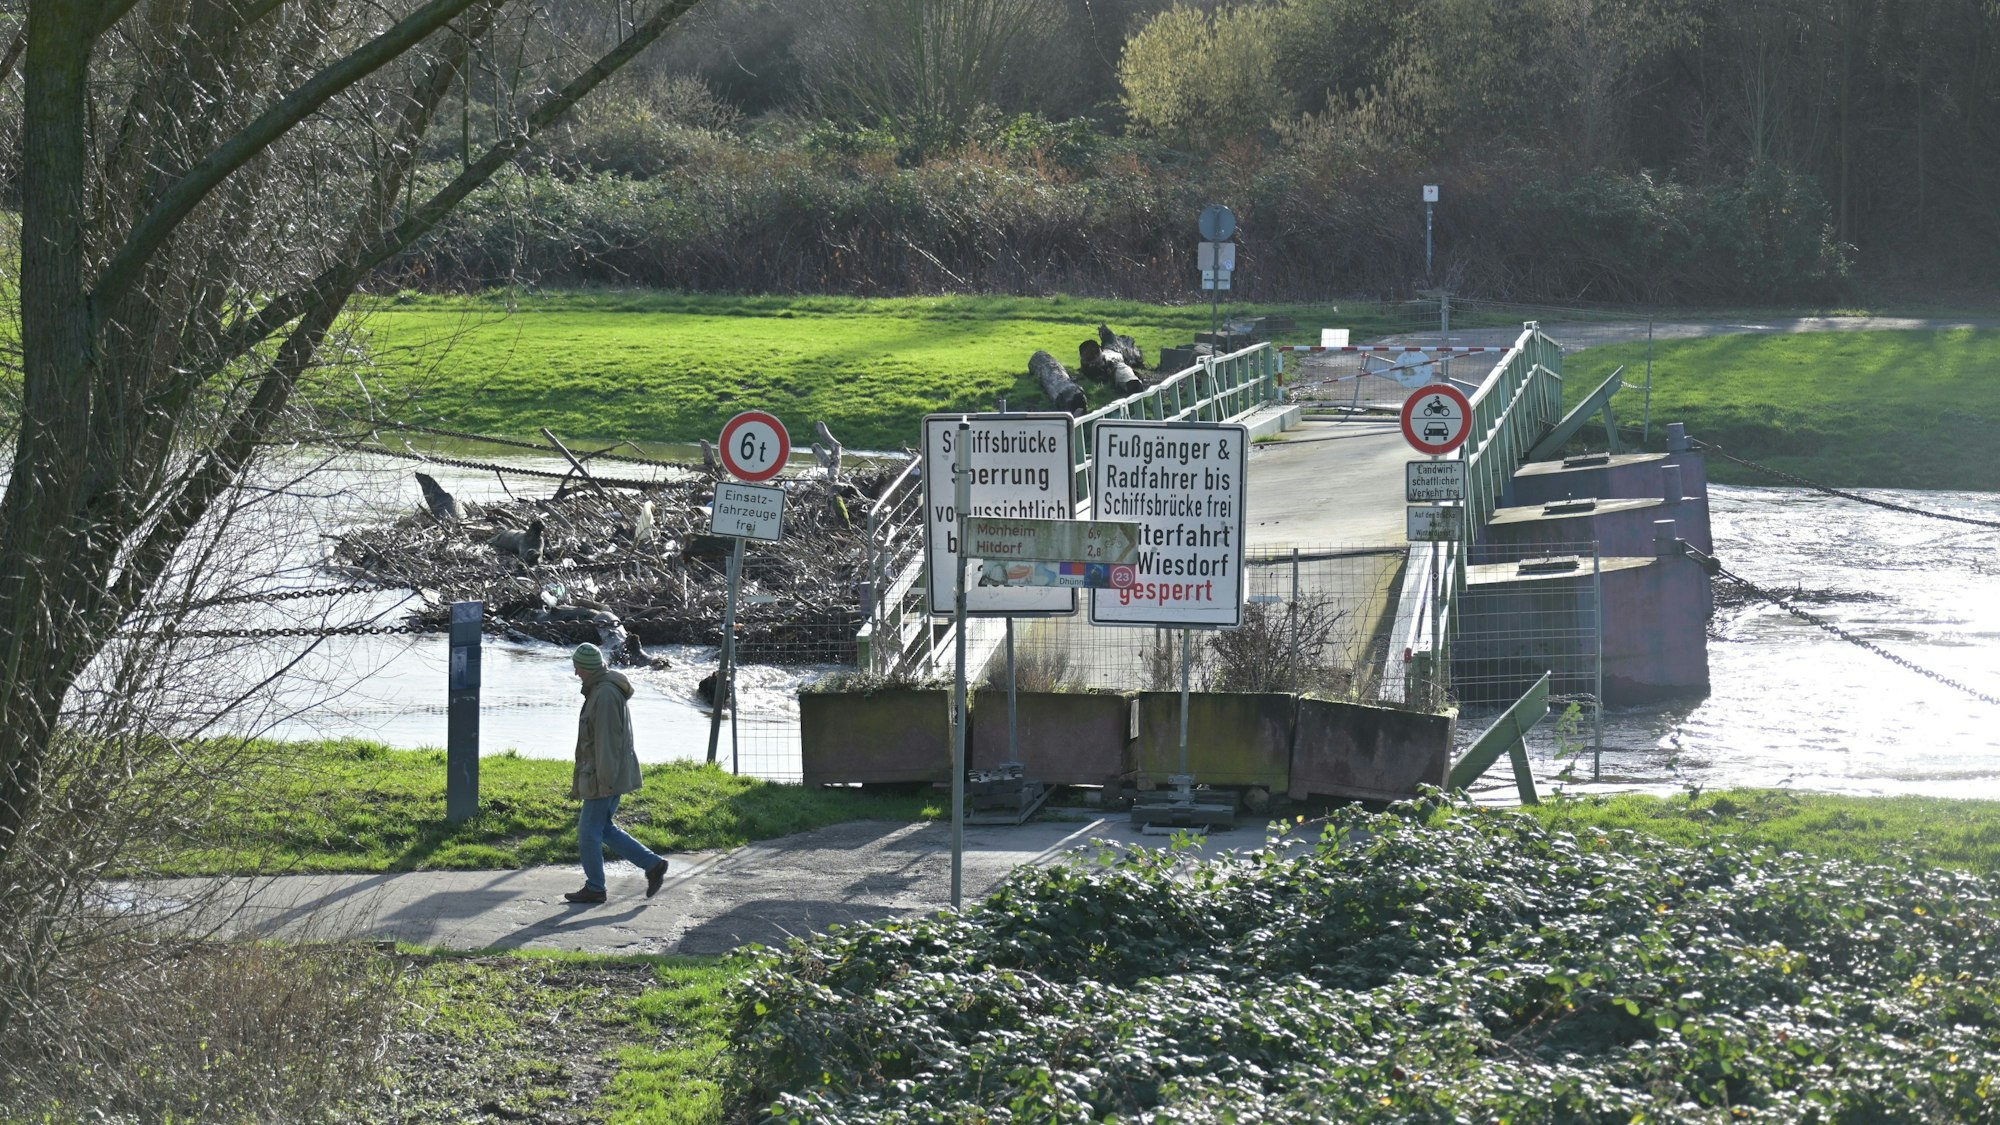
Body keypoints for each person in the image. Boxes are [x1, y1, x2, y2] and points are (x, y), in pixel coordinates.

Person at [565, 642, 669, 904]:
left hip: (604, 775)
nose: (576, 672)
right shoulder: (601, 690)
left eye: (578, 667)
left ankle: (596, 887)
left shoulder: (605, 695)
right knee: (604, 828)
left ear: (587, 668)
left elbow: (608, 742)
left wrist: (606, 781)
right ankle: (652, 864)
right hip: (604, 773)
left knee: (588, 831)